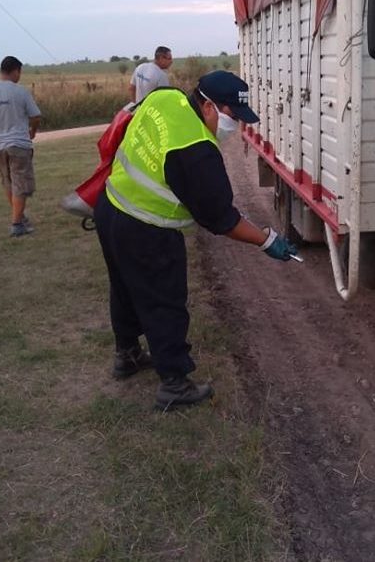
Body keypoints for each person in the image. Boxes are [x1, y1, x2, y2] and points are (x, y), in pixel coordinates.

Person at [95, 70, 297, 410]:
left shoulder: (164, 97)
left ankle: (127, 355)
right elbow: (223, 219)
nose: (237, 125)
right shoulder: (197, 150)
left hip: (111, 206)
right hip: (146, 228)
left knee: (125, 288)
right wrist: (267, 240)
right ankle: (174, 384)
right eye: (232, 115)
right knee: (165, 302)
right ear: (207, 106)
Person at [0, 56, 42, 237]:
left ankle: (19, 217)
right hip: (18, 143)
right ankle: (17, 224)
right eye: (20, 72)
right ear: (16, 71)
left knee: (7, 181)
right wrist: (32, 132)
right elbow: (35, 116)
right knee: (21, 183)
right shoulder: (21, 91)